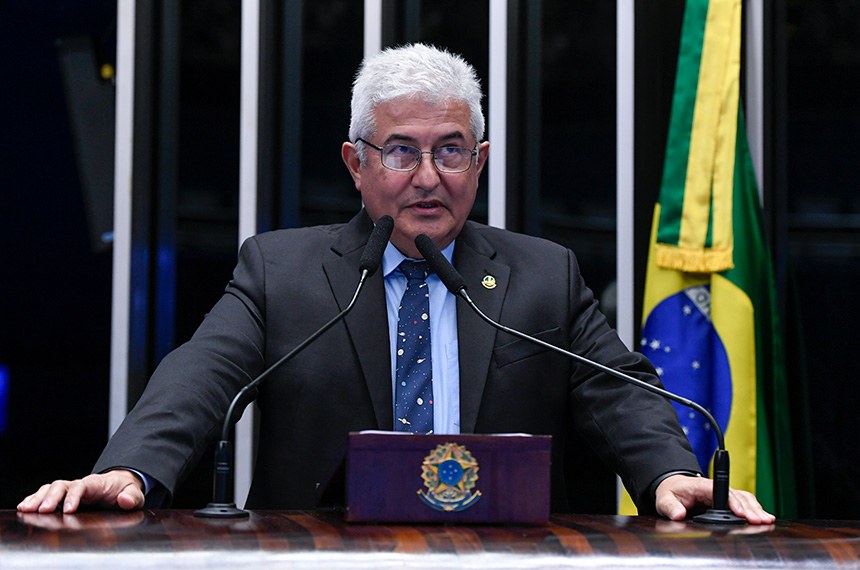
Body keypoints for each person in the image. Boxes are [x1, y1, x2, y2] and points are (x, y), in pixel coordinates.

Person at [19, 43, 774, 524]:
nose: (426, 178)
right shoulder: (283, 272)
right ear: (356, 164)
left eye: (450, 151)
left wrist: (671, 473)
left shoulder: (542, 275)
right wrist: (132, 468)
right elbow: (199, 377)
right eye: (399, 152)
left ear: (479, 161)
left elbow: (622, 392)